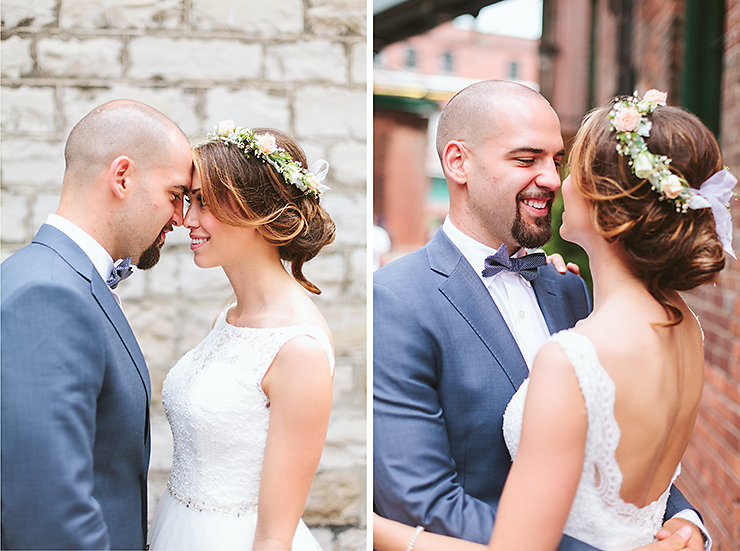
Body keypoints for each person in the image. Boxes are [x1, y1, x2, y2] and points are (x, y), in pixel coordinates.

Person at [373, 81, 711, 551]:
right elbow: (424, 504)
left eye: (557, 160)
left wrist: (685, 521)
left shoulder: (568, 288)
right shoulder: (395, 300)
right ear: (457, 163)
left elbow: (616, 452)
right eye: (526, 159)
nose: (552, 179)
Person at [1, 100, 193, 549]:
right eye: (175, 194)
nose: (182, 218)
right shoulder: (47, 295)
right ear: (122, 177)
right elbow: (48, 512)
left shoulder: (54, 275)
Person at [148, 122, 336, 550]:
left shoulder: (297, 348)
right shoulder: (229, 317)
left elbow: (274, 537)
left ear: (256, 211)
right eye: (186, 201)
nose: (185, 220)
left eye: (203, 203)